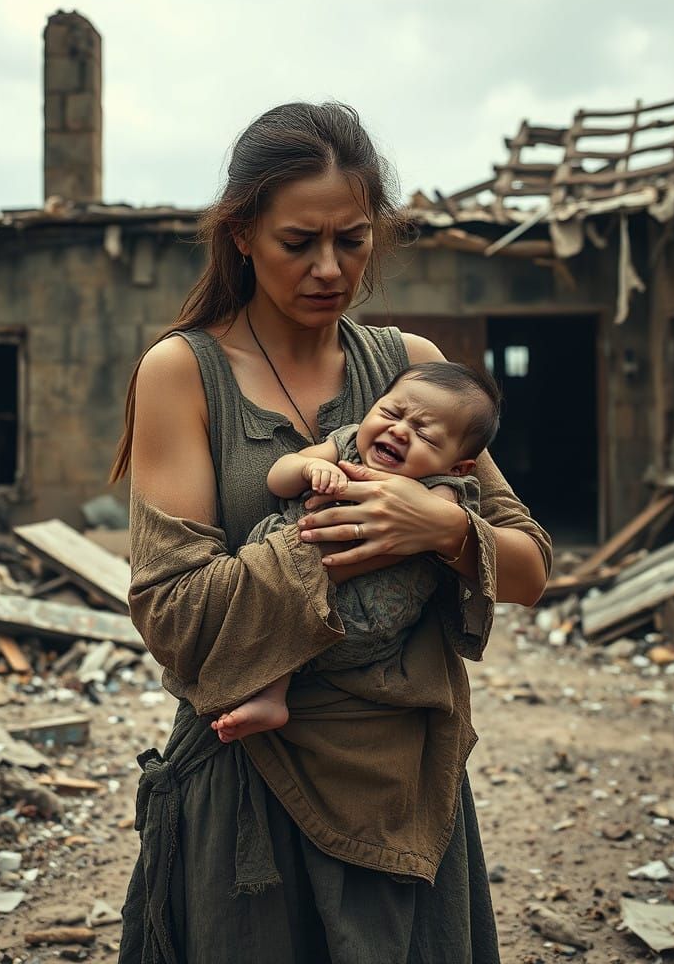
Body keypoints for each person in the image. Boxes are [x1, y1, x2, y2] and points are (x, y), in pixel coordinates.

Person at [113, 101, 551, 964]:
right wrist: (334, 533)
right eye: (297, 242)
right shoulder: (183, 372)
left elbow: (529, 565)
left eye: (351, 240)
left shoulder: (413, 372)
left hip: (403, 785)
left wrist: (434, 524)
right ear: (241, 233)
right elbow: (173, 612)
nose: (329, 268)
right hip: (250, 781)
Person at [212, 360, 501, 743]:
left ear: (459, 465)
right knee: (278, 599)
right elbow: (278, 478)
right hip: (294, 568)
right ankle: (272, 693)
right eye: (391, 413)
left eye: (425, 436)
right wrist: (309, 468)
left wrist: (424, 509)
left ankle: (273, 691)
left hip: (364, 608)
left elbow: (443, 524)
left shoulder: (445, 485)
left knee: (290, 610)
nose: (399, 431)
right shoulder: (346, 443)